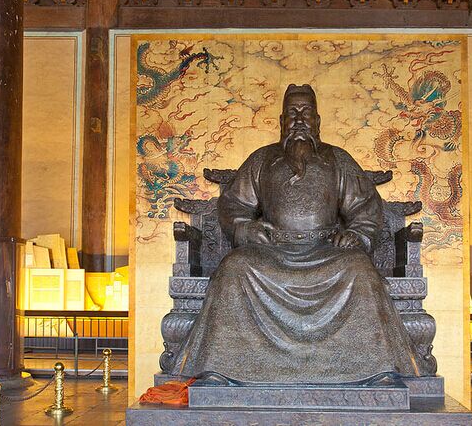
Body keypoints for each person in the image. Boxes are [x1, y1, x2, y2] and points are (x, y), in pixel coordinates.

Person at [170, 84, 432, 384]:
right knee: (234, 267)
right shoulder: (262, 160)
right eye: (292, 113)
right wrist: (246, 228)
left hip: (326, 252)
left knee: (359, 269)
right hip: (272, 251)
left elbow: (364, 206)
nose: (298, 120)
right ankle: (221, 370)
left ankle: (376, 370)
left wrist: (357, 234)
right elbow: (234, 204)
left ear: (317, 121)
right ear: (282, 121)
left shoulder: (338, 160)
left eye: (305, 113)